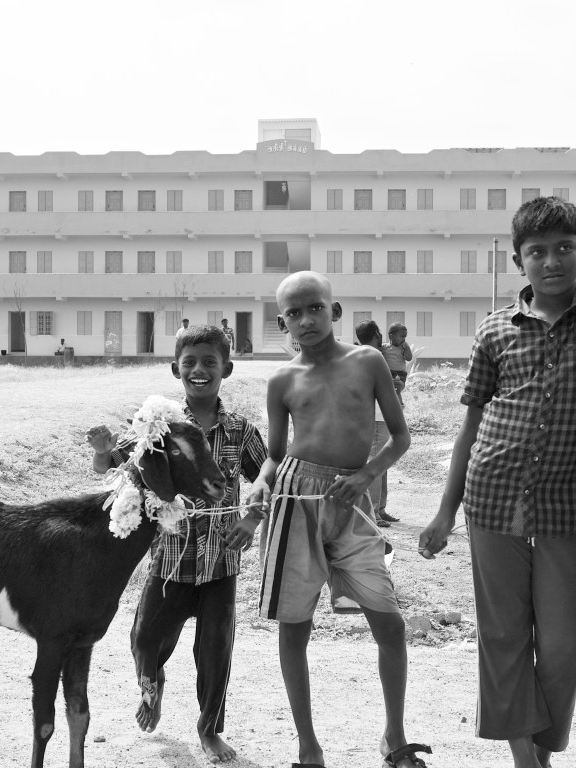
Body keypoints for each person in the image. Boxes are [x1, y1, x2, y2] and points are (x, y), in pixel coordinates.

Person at [418, 196, 576, 768]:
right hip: (492, 494)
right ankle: (524, 756)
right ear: (519, 262)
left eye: (565, 248)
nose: (552, 261)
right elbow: (469, 426)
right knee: (505, 635)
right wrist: (445, 512)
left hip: (567, 503)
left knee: (565, 644)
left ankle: (539, 745)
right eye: (537, 252)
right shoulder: (495, 331)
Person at [230, 271, 427, 768]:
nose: (305, 319)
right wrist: (258, 491)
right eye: (293, 314)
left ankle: (394, 737)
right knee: (295, 628)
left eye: (314, 307)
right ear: (282, 324)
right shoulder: (282, 380)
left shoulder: (368, 361)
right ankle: (308, 748)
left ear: (334, 312)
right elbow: (274, 457)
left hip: (351, 499)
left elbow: (399, 437)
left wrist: (367, 476)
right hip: (297, 499)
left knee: (390, 623)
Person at [87, 325, 266, 765]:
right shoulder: (158, 425)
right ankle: (152, 684)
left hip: (221, 565)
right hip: (168, 563)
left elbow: (267, 477)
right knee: (144, 640)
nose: (200, 370)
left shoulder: (240, 430)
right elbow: (113, 465)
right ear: (175, 369)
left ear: (227, 367)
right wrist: (101, 450)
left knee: (215, 651)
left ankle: (209, 729)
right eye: (190, 363)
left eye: (210, 362)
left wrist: (252, 516)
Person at [356, 319, 400, 527]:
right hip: (376, 416)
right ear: (375, 333)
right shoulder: (368, 356)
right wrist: (393, 384)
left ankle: (380, 508)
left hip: (381, 415)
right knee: (376, 462)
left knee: (383, 463)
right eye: (379, 332)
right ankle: (374, 511)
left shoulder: (368, 356)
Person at [382, 323, 413, 406]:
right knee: (390, 390)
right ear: (391, 336)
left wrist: (407, 348)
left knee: (397, 388)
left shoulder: (402, 348)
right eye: (401, 336)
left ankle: (399, 405)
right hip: (388, 373)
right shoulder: (384, 347)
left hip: (400, 375)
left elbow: (409, 358)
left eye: (405, 337)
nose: (404, 339)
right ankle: (392, 405)